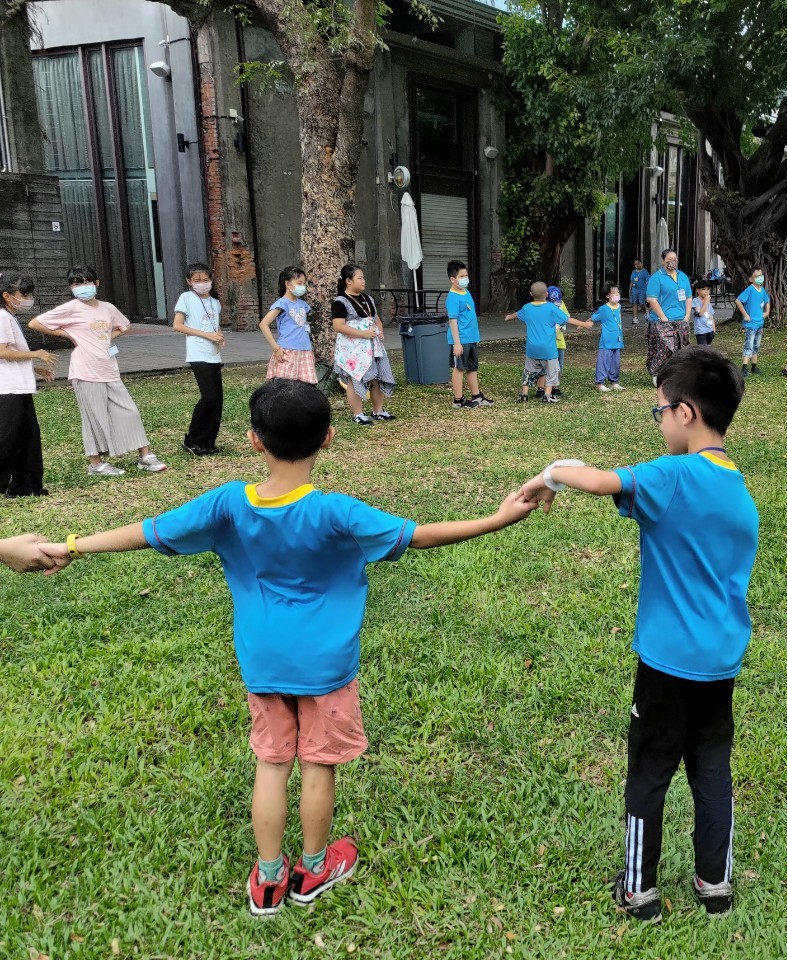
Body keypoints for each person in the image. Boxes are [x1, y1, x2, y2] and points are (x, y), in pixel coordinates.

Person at [30, 378, 538, 916]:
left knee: (272, 765)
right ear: (329, 437)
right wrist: (497, 519)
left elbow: (148, 531)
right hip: (327, 667)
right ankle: (314, 870)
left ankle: (269, 879)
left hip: (263, 662)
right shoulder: (337, 512)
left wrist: (71, 545)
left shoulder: (229, 503)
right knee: (318, 765)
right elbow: (422, 535)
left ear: (254, 440)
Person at [518, 347, 758, 923]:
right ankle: (716, 885)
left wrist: (550, 474)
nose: (659, 423)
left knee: (648, 773)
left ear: (686, 412)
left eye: (659, 412)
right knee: (712, 771)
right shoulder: (737, 488)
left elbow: (599, 480)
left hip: (666, 665)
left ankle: (639, 890)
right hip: (720, 662)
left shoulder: (673, 476)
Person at [28, 266, 167, 476]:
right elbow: (35, 323)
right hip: (85, 370)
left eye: (87, 282)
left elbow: (125, 326)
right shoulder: (71, 308)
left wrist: (108, 337)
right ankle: (96, 464)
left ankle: (145, 456)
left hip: (109, 368)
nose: (83, 287)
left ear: (96, 283)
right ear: (71, 288)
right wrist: (67, 334)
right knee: (93, 417)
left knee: (130, 411)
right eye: (77, 284)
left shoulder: (108, 308)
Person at [0, 272, 54, 496]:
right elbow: (2, 352)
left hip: (18, 386)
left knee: (27, 438)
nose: (28, 299)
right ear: (7, 295)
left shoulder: (9, 317)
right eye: (24, 294)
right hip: (8, 388)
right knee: (7, 438)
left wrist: (35, 369)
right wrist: (36, 354)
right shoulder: (2, 318)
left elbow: (12, 354)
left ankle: (25, 487)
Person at [331, 265, 396, 426]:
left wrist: (380, 330)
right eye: (359, 278)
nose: (363, 281)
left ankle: (378, 411)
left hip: (373, 346)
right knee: (355, 380)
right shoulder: (340, 302)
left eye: (363, 278)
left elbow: (375, 318)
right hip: (353, 350)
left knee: (377, 378)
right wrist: (362, 334)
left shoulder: (368, 299)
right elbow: (338, 326)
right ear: (348, 281)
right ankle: (358, 414)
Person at [172, 262, 225, 456]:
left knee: (217, 399)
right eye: (197, 280)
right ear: (189, 281)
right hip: (197, 353)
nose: (202, 283)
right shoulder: (186, 298)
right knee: (209, 397)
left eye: (205, 279)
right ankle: (192, 440)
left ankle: (208, 442)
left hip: (213, 354)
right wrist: (207, 335)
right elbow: (178, 325)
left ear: (211, 279)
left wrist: (219, 335)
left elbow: (214, 325)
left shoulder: (215, 302)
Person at [444, 260, 492, 409]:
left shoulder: (466, 292)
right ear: (453, 279)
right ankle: (458, 400)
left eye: (466, 275)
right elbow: (453, 321)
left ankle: (476, 396)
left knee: (472, 367)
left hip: (471, 338)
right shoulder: (452, 297)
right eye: (461, 276)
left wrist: (475, 337)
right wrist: (457, 343)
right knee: (459, 368)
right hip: (461, 339)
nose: (465, 278)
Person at [506, 282, 563, 403]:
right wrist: (584, 324)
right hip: (548, 349)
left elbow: (516, 315)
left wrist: (508, 317)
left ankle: (524, 395)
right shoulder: (551, 308)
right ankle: (547, 396)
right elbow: (566, 319)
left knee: (528, 371)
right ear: (547, 294)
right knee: (551, 371)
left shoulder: (527, 307)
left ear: (531, 294)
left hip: (531, 349)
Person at [259, 266, 317, 383]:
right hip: (287, 351)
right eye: (299, 283)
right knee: (285, 386)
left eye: (304, 283)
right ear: (288, 284)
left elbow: (304, 328)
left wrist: (309, 350)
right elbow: (263, 324)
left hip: (305, 351)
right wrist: (276, 348)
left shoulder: (303, 304)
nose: (302, 286)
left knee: (303, 387)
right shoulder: (282, 303)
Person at [646, 249, 693, 384]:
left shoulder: (682, 276)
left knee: (681, 348)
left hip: (680, 319)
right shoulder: (657, 277)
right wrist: (663, 317)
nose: (672, 262)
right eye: (669, 259)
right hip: (662, 320)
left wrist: (687, 315)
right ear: (663, 261)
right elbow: (651, 299)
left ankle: (676, 374)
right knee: (664, 348)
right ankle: (657, 373)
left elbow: (688, 297)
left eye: (674, 259)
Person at [568, 283, 625, 392]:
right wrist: (583, 325)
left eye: (618, 292)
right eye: (614, 293)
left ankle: (614, 382)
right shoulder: (604, 309)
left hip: (617, 339)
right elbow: (593, 318)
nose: (617, 295)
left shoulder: (619, 306)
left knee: (615, 363)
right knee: (603, 361)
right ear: (607, 296)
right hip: (606, 341)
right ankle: (600, 383)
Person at [734, 267, 770, 376]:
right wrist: (745, 315)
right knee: (748, 345)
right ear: (750, 279)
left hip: (760, 324)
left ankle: (754, 366)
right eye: (757, 276)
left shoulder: (762, 290)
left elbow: (767, 300)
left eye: (761, 275)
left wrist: (767, 312)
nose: (760, 278)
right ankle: (744, 368)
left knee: (756, 345)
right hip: (751, 324)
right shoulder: (750, 290)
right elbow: (738, 301)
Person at [548, 285, 569, 400]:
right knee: (546, 367)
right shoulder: (544, 307)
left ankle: (555, 387)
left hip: (559, 342)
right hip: (548, 343)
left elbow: (566, 317)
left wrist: (561, 324)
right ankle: (543, 388)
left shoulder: (561, 303)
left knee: (559, 367)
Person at [691, 280, 717, 345]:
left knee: (708, 347)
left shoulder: (708, 303)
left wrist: (713, 329)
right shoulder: (695, 301)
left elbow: (711, 316)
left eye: (708, 289)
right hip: (700, 331)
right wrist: (705, 302)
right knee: (703, 348)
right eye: (703, 289)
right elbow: (700, 314)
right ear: (698, 290)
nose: (706, 291)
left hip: (709, 330)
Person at [628, 259, 651, 325]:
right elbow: (632, 281)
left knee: (641, 303)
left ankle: (645, 311)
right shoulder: (633, 272)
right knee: (634, 303)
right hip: (634, 290)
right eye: (635, 264)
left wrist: (648, 291)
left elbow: (648, 282)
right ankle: (635, 318)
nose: (637, 265)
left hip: (642, 290)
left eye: (638, 263)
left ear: (641, 263)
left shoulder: (645, 272)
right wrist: (630, 289)